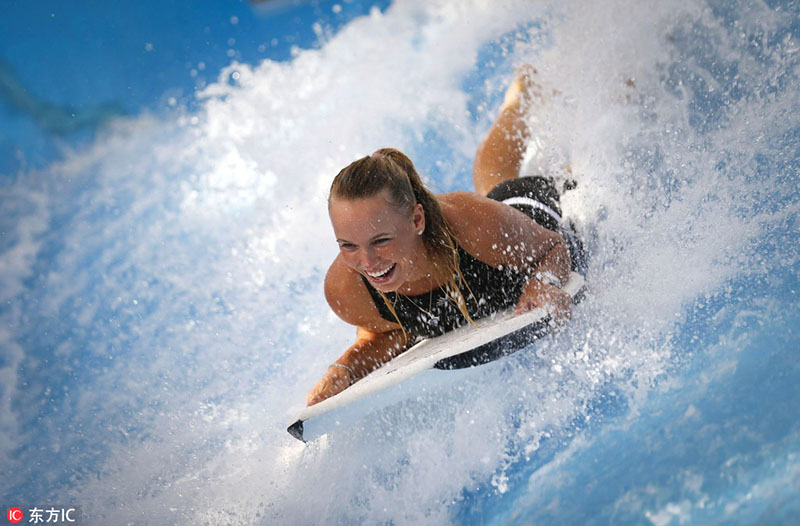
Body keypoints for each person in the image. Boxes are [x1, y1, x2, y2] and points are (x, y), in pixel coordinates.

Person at [306, 66, 585, 406]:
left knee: (573, 175)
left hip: (534, 211)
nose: (368, 262)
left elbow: (553, 246)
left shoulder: (472, 223)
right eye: (348, 245)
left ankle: (539, 98)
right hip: (492, 223)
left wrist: (543, 280)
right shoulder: (345, 290)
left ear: (417, 219)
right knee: (492, 181)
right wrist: (348, 368)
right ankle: (520, 98)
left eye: (380, 241)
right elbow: (394, 329)